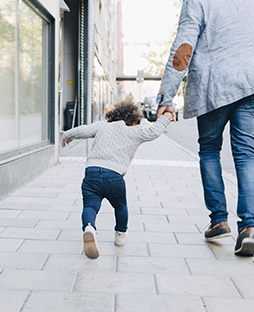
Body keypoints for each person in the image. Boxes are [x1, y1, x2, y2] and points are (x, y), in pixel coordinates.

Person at [156, 0, 254, 257]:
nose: (183, 0)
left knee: (210, 150)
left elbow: (183, 49)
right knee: (246, 154)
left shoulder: (196, 3)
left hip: (215, 87)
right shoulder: (253, 1)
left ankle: (219, 221)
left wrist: (166, 98)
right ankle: (249, 227)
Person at [62, 100, 173, 259]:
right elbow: (153, 132)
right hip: (114, 176)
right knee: (120, 205)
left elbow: (84, 130)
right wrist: (166, 117)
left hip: (91, 172)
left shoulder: (103, 125)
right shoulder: (135, 131)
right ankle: (120, 235)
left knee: (90, 206)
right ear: (134, 120)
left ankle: (89, 227)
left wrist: (67, 135)